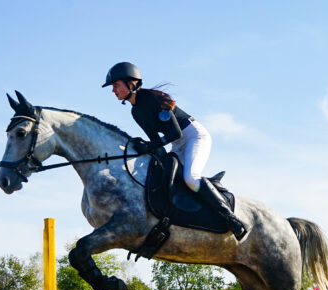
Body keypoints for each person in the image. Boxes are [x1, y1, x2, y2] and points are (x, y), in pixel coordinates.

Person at [102, 62, 247, 240]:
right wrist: (143, 146)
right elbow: (157, 141)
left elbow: (174, 132)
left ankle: (233, 220)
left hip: (194, 136)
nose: (113, 90)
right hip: (177, 143)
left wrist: (150, 146)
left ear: (130, 83)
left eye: (116, 85)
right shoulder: (136, 112)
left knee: (191, 178)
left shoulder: (152, 100)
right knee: (167, 178)